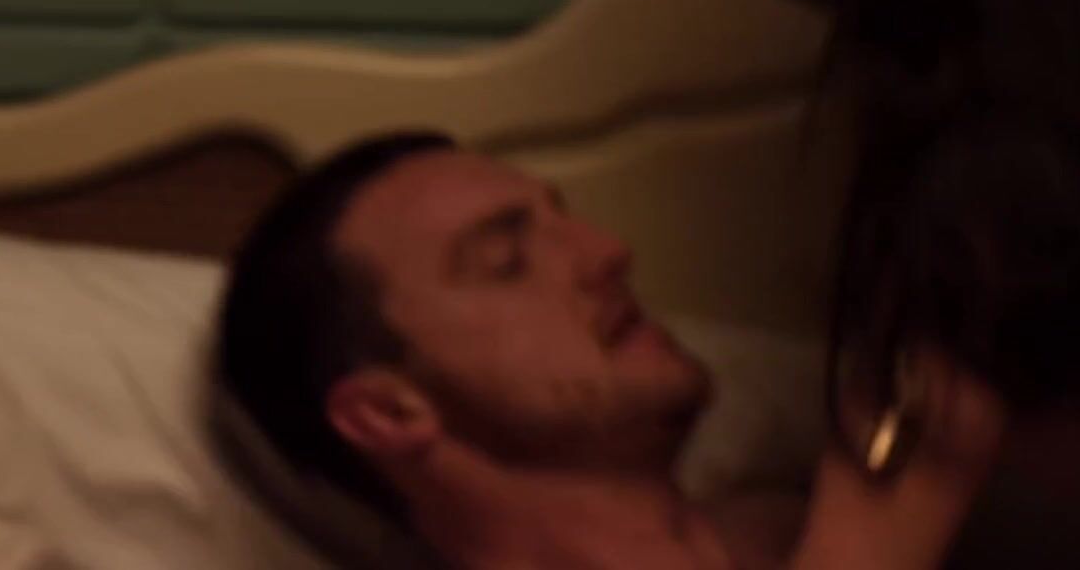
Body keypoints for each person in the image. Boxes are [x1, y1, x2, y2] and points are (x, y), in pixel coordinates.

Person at [212, 132, 1002, 569]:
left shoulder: (786, 520)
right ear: (389, 411)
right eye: (506, 262)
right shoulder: (868, 511)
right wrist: (881, 527)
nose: (606, 251)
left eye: (565, 221)